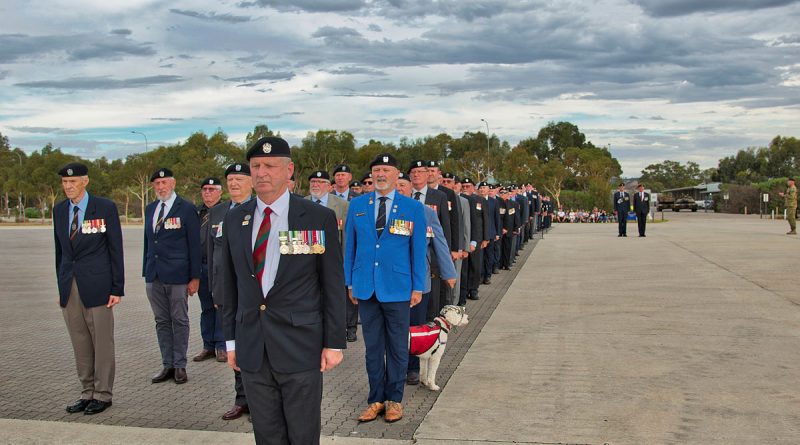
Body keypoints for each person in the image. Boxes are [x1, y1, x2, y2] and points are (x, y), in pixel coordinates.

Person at [220, 136, 346, 444]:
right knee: (266, 434)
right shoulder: (236, 218)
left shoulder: (316, 218)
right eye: (256, 166)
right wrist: (231, 340)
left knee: (302, 434)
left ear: (289, 170)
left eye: (270, 166)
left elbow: (331, 284)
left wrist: (334, 342)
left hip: (300, 345)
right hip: (253, 346)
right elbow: (229, 285)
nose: (262, 173)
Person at [344, 153, 427, 424]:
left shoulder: (412, 207)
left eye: (386, 170)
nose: (381, 174)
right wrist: (349, 282)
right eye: (376, 170)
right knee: (372, 348)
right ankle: (375, 399)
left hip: (399, 288)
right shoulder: (357, 205)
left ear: (396, 175)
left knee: (397, 347)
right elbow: (350, 248)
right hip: (366, 288)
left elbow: (417, 251)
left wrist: (418, 286)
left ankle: (395, 400)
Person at [54, 162, 124, 416]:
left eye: (73, 182)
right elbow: (60, 252)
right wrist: (61, 287)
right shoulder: (59, 210)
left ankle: (103, 394)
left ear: (85, 182)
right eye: (64, 182)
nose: (68, 186)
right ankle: (86, 393)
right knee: (80, 342)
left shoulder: (104, 207)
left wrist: (117, 287)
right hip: (70, 287)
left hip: (99, 287)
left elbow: (115, 249)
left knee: (102, 342)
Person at [396, 172, 457, 386]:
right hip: (392, 282)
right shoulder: (383, 214)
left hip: (419, 281)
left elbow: (439, 242)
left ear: (411, 189)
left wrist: (449, 273)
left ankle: (412, 369)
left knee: (416, 326)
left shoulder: (424, 212)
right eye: (397, 185)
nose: (399, 189)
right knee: (395, 326)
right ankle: (395, 366)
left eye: (403, 185)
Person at [144, 168, 201, 385]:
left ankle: (180, 365)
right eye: (157, 184)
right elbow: (149, 243)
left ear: (173, 183)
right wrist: (146, 271)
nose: (160, 187)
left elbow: (194, 246)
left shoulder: (186, 209)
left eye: (164, 183)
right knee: (161, 321)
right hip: (154, 275)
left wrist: (195, 277)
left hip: (178, 276)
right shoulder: (151, 209)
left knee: (179, 319)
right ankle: (167, 364)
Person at [207, 162, 253, 421]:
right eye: (230, 179)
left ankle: (259, 401)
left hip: (252, 293)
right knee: (234, 347)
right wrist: (215, 291)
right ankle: (241, 399)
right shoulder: (219, 212)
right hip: (226, 293)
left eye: (239, 179)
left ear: (252, 182)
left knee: (255, 348)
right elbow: (212, 255)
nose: (234, 184)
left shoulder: (259, 209)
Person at [306, 170, 357, 342]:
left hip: (334, 258)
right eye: (313, 181)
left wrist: (345, 261)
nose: (316, 185)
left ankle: (347, 327)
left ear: (329, 186)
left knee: (338, 295)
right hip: (308, 259)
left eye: (320, 182)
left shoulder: (342, 205)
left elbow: (347, 236)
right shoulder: (301, 203)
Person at [194, 177, 225, 363]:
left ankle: (222, 345)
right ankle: (208, 345)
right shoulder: (196, 212)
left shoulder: (226, 211)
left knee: (220, 306)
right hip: (202, 267)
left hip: (219, 267)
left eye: (212, 189)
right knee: (206, 308)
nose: (208, 192)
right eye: (205, 189)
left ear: (220, 192)